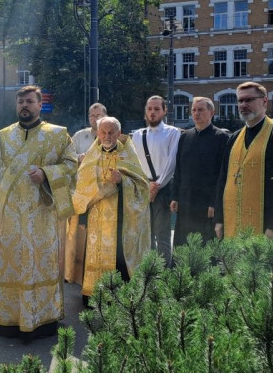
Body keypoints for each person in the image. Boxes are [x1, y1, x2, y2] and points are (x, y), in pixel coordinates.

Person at [0, 85, 77, 341]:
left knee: (40, 263)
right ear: (17, 105)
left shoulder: (58, 135)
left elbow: (71, 164)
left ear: (39, 105)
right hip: (11, 216)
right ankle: (9, 321)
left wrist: (46, 173)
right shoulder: (2, 137)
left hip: (42, 215)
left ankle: (43, 320)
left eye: (30, 101)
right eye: (21, 101)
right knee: (11, 263)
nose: (25, 105)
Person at [214, 82, 273, 283]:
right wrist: (219, 218)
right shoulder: (234, 138)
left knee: (269, 283)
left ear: (264, 101)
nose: (244, 104)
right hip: (234, 223)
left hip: (267, 225)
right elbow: (222, 180)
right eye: (240, 101)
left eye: (249, 100)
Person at [72, 116, 150, 306]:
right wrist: (82, 219)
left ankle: (118, 297)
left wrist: (122, 181)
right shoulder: (91, 157)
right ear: (97, 134)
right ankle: (93, 295)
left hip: (120, 218)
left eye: (111, 132)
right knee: (95, 254)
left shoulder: (127, 156)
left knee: (119, 257)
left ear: (119, 133)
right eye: (103, 132)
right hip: (95, 218)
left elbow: (142, 187)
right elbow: (81, 190)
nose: (107, 136)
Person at [170, 97, 230, 247]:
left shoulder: (221, 138)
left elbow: (222, 175)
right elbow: (178, 169)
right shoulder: (185, 136)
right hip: (185, 200)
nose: (196, 113)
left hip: (206, 203)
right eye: (194, 110)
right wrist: (175, 197)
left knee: (206, 246)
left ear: (211, 112)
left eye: (201, 110)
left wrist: (214, 203)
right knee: (184, 244)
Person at [131, 96, 180, 267]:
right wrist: (146, 185)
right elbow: (134, 163)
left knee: (163, 234)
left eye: (156, 109)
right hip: (143, 188)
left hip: (163, 189)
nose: (152, 112)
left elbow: (172, 162)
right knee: (146, 233)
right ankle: (149, 270)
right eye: (149, 108)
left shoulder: (173, 133)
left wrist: (156, 186)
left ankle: (164, 273)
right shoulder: (137, 135)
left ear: (164, 111)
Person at [65, 102, 107, 284]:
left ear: (105, 116)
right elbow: (68, 157)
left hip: (103, 193)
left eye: (98, 115)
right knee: (77, 232)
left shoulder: (111, 134)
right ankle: (74, 271)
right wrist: (78, 158)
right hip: (81, 192)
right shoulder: (80, 136)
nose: (95, 119)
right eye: (92, 115)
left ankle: (99, 272)